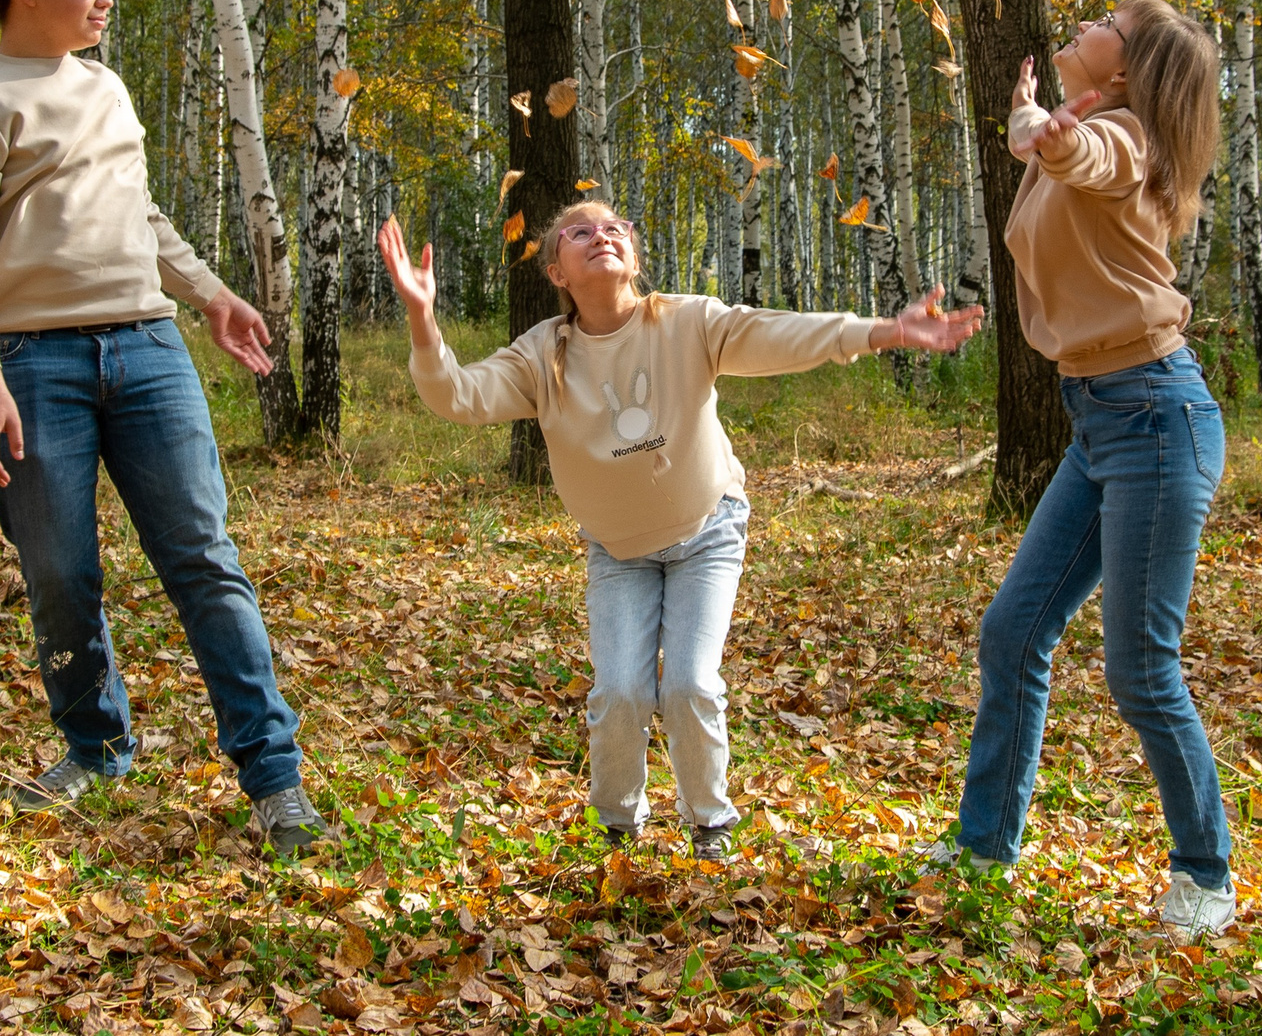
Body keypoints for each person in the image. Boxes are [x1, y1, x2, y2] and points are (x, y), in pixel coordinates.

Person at [379, 202, 981, 860]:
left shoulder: (685, 321)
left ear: (633, 258)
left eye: (614, 228)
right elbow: (457, 396)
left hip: (707, 529)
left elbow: (778, 333)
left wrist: (886, 331)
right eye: (579, 231)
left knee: (690, 683)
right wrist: (421, 316)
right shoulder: (542, 355)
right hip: (619, 551)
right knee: (620, 691)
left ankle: (711, 823)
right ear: (557, 269)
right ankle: (615, 823)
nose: (601, 235)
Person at [0, 0, 322, 857]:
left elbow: (138, 211)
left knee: (206, 560)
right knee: (61, 574)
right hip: (32, 364)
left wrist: (210, 294)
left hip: (148, 350)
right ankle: (95, 749)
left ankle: (275, 779)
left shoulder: (106, 88)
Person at [932, 0, 1235, 939]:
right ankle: (985, 842)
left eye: (1110, 16)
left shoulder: (1129, 139)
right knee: (1013, 631)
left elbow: (1084, 157)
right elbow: (1060, 158)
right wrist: (1038, 130)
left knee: (1142, 668)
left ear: (1126, 68)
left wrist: (1040, 131)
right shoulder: (1092, 127)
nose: (1087, 14)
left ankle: (1206, 874)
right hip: (1101, 418)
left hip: (1155, 413)